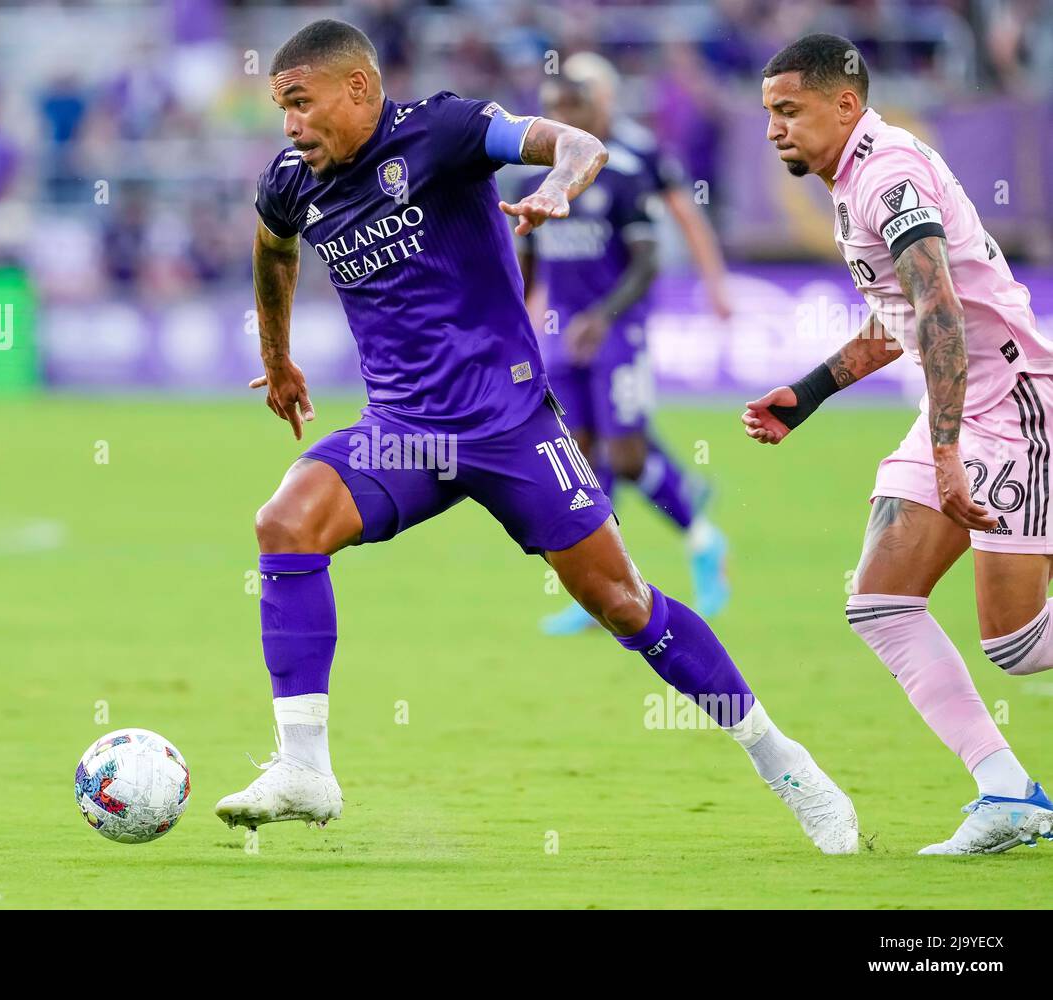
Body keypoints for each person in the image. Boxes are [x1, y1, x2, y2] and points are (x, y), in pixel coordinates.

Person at [213, 18, 857, 854]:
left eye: (301, 104)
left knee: (623, 604)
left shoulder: (444, 131)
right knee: (284, 523)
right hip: (405, 433)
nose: (291, 125)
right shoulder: (295, 180)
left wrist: (561, 183)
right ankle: (304, 768)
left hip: (509, 423)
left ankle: (786, 764)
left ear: (360, 90)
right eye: (281, 108)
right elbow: (272, 247)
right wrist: (279, 356)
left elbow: (576, 141)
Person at [746, 33, 1053, 854]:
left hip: (1012, 405)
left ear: (844, 104)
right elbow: (908, 316)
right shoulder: (854, 176)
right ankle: (1009, 794)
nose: (774, 129)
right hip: (958, 407)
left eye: (789, 110)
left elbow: (943, 311)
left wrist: (949, 455)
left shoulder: (887, 177)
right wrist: (809, 393)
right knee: (880, 602)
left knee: (1018, 648)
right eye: (768, 114)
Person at [517, 66, 729, 634]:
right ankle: (607, 588)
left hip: (618, 334)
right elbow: (528, 265)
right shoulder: (535, 185)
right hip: (563, 340)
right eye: (552, 110)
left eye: (573, 108)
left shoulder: (627, 172)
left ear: (597, 112)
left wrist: (606, 315)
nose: (563, 121)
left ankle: (703, 538)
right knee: (582, 466)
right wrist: (519, 324)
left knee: (628, 456)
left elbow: (649, 259)